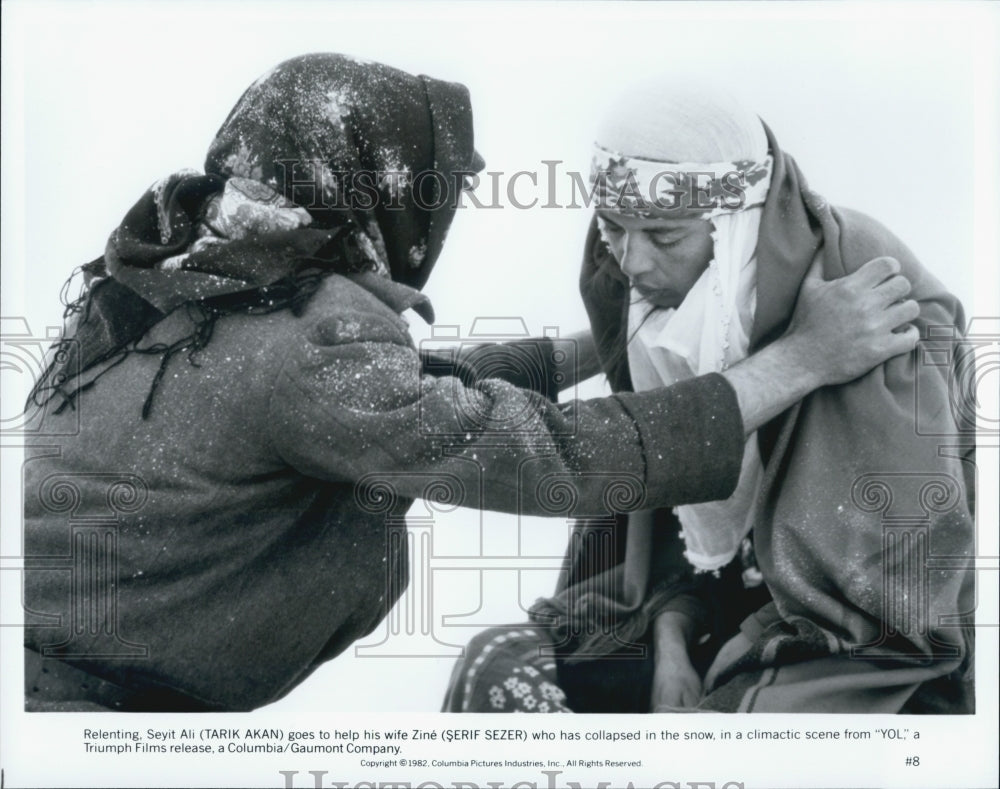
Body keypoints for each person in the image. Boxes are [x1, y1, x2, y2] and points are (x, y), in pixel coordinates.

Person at [22, 56, 917, 712]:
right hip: (112, 729)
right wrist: (795, 361)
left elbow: (411, 397)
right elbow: (546, 458)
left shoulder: (185, 272)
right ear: (378, 186)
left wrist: (613, 340)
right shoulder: (306, 335)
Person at [443, 84, 974, 714]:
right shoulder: (670, 323)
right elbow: (682, 540)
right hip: (704, 624)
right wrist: (670, 635)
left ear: (736, 226)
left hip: (842, 670)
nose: (632, 262)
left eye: (664, 237)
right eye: (612, 228)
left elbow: (881, 621)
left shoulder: (857, 310)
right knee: (497, 665)